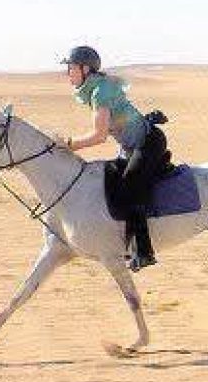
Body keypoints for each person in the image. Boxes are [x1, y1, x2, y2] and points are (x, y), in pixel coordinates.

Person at [59, 45, 168, 271]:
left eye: (70, 67)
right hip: (130, 146)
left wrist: (68, 145)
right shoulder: (96, 88)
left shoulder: (100, 92)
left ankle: (144, 251)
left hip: (147, 143)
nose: (67, 72)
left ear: (85, 69)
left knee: (130, 186)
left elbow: (99, 136)